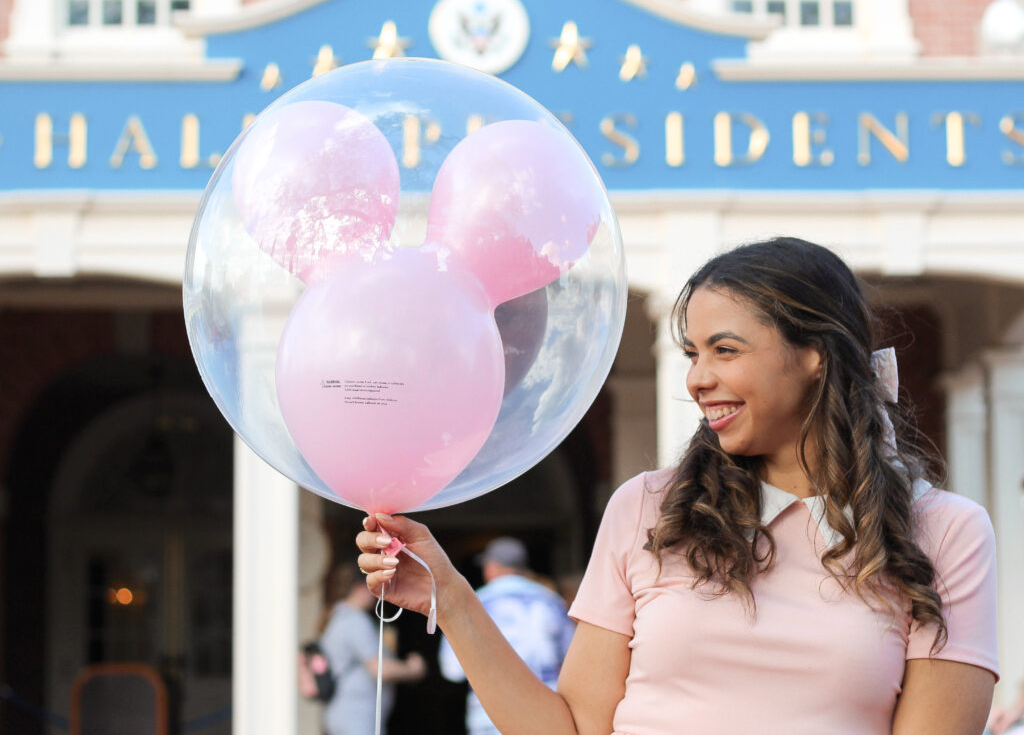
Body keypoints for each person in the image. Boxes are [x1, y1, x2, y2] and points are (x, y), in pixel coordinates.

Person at [356, 236, 999, 735]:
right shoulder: (647, 509)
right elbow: (573, 728)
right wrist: (452, 596)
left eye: (725, 350)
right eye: (692, 354)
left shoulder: (944, 532)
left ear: (815, 356)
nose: (696, 378)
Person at [438, 537, 575, 735]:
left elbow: (452, 670)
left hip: (490, 717)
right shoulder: (551, 600)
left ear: (492, 567)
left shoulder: (475, 602)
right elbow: (572, 660)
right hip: (546, 715)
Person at [318, 562, 426, 735]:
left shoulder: (336, 617)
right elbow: (380, 669)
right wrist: (413, 669)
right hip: (357, 715)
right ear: (360, 587)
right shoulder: (356, 621)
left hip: (339, 714)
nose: (377, 594)